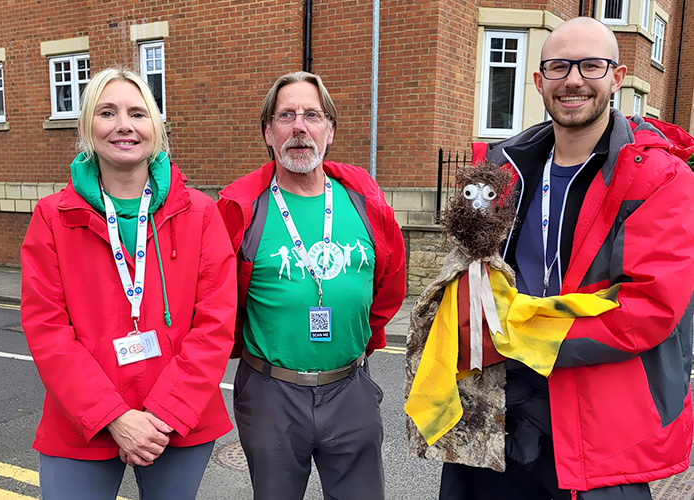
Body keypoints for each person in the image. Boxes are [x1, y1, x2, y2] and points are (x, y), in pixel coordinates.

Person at [436, 17, 694, 500]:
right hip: (500, 409)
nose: (573, 79)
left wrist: (510, 334)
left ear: (616, 77)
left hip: (598, 430)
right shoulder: (502, 169)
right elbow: (470, 268)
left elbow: (649, 309)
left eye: (590, 65)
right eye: (558, 67)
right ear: (539, 81)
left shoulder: (660, 177)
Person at [20, 67, 237, 500]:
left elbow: (215, 323)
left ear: (155, 128)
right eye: (107, 112)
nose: (124, 125)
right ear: (86, 127)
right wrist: (114, 417)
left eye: (137, 113)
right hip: (81, 423)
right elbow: (47, 330)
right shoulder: (51, 217)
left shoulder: (200, 213)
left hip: (176, 420)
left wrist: (160, 414)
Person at [217, 71, 406, 500]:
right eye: (286, 115)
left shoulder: (365, 201)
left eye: (312, 115)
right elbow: (221, 300)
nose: (299, 127)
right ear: (268, 131)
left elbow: (389, 285)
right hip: (271, 394)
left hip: (351, 388)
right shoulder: (241, 210)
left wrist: (360, 340)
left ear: (330, 130)